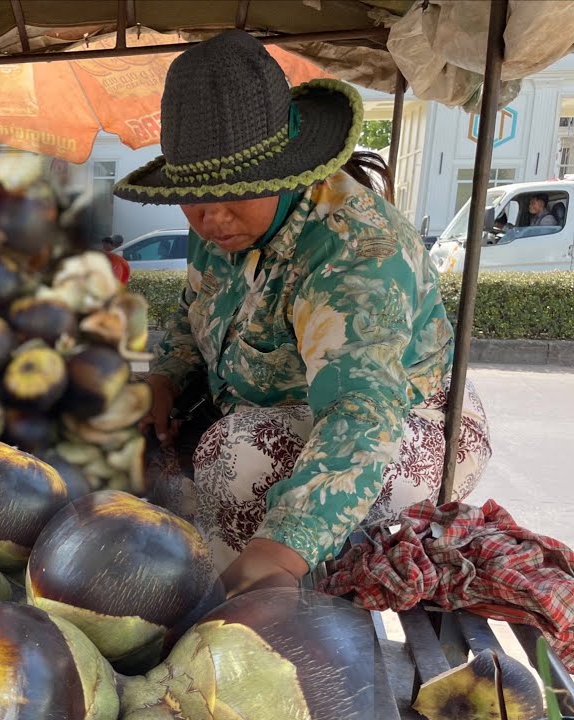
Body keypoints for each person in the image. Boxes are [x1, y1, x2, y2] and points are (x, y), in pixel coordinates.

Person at [114, 31, 492, 599]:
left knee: (237, 457)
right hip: (279, 413)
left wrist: (283, 548)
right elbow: (194, 316)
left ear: (283, 168)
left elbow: (359, 415)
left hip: (411, 423)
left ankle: (271, 617)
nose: (211, 218)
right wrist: (163, 380)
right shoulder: (221, 229)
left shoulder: (356, 248)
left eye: (231, 191)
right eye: (193, 195)